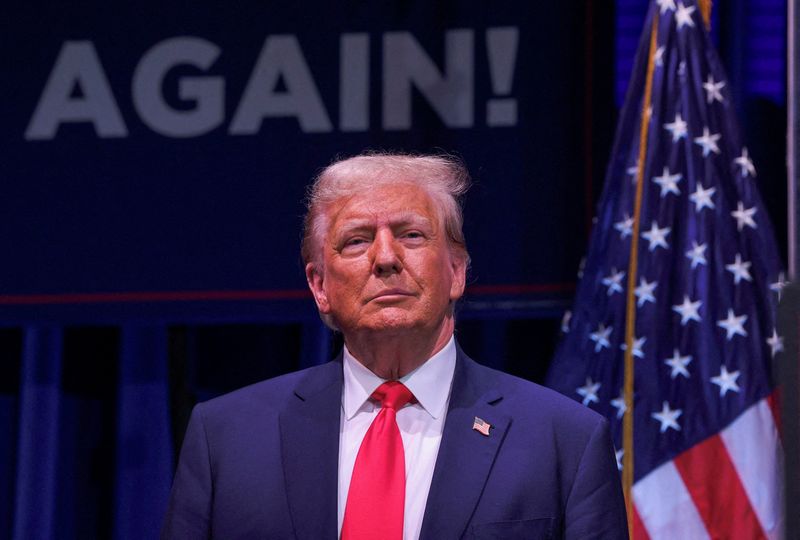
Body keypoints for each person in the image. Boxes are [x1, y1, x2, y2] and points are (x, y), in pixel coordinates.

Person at [161, 153, 628, 539]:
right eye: (357, 241)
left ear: (457, 272)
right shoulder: (226, 437)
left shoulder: (564, 440)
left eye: (411, 235)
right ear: (319, 285)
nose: (385, 258)